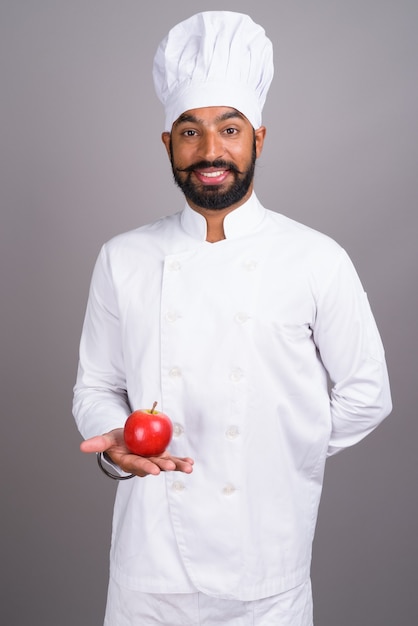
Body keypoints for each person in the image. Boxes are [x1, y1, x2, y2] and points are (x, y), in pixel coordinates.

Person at [73, 11, 392, 626]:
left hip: (267, 570)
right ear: (168, 144)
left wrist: (277, 453)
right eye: (190, 132)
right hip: (148, 574)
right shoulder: (123, 258)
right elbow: (95, 386)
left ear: (259, 139)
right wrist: (117, 447)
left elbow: (367, 394)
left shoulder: (316, 258)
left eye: (230, 128)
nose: (210, 150)